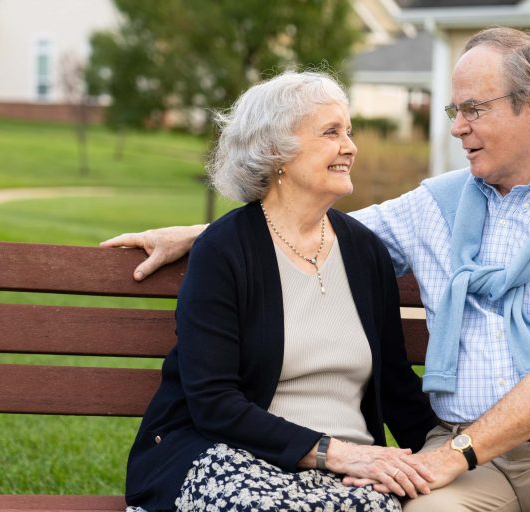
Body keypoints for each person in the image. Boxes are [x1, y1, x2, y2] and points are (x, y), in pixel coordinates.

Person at [104, 28, 530, 511]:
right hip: (456, 457)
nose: (459, 128)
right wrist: (198, 236)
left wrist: (446, 457)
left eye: (474, 110)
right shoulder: (435, 207)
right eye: (454, 111)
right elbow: (291, 225)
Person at [116, 70, 440, 512]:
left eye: (349, 131)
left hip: (346, 473)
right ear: (275, 151)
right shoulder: (225, 250)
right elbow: (214, 403)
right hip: (233, 460)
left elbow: (397, 387)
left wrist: (451, 462)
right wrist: (336, 451)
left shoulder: (364, 252)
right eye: (331, 132)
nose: (350, 146)